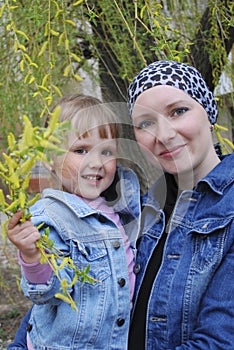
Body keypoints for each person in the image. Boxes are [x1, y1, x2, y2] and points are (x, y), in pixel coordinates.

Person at [7, 94, 141, 350]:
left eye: (106, 152)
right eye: (81, 150)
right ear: (50, 158)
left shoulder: (119, 208)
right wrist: (33, 256)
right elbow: (46, 291)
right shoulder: (50, 217)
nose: (96, 162)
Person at [127, 60, 234, 349]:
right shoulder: (138, 210)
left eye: (178, 111)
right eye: (146, 123)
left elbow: (219, 341)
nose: (163, 134)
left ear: (209, 114)